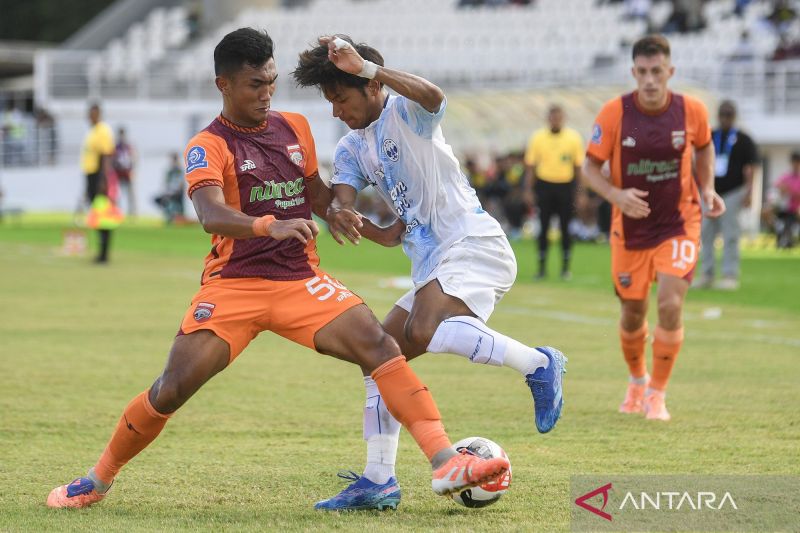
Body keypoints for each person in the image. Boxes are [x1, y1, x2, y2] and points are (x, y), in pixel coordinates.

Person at [46, 28, 509, 510]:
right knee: (172, 389)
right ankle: (97, 480)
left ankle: (444, 461)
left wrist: (368, 227)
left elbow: (320, 200)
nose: (266, 93)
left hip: (300, 282)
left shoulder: (295, 130)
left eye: (270, 81)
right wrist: (270, 225)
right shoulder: (208, 145)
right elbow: (210, 214)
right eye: (254, 85)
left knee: (380, 346)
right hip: (234, 286)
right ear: (223, 85)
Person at [293, 35, 566, 511]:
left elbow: (435, 96)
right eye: (330, 101)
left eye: (341, 97)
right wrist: (346, 214)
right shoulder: (355, 145)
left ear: (369, 86)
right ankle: (379, 481)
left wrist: (370, 68)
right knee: (379, 356)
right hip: (433, 262)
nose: (336, 110)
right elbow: (344, 191)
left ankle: (538, 364)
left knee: (425, 327)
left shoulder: (405, 111)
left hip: (473, 244)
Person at [581, 34, 725, 421]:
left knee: (670, 303)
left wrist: (707, 187)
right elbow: (589, 167)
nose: (649, 79)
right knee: (632, 312)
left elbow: (705, 146)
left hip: (679, 223)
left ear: (670, 71)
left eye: (656, 71)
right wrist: (615, 194)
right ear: (633, 72)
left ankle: (658, 395)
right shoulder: (615, 113)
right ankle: (637, 380)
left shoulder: (691, 110)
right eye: (642, 72)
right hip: (629, 230)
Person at [695, 101, 758, 290]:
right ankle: (707, 274)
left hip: (733, 192)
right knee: (705, 234)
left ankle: (730, 275)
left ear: (734, 116)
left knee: (731, 234)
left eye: (729, 114)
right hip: (709, 191)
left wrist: (749, 193)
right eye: (722, 114)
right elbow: (697, 161)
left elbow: (751, 168)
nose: (725, 118)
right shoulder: (710, 136)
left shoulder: (744, 139)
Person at [523, 104, 585, 279]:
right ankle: (541, 268)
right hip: (544, 186)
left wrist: (580, 193)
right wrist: (528, 190)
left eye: (559, 117)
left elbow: (578, 168)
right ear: (548, 118)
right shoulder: (538, 137)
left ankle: (565, 268)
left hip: (566, 186)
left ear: (563, 118)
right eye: (553, 117)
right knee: (543, 227)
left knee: (566, 228)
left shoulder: (573, 138)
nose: (556, 120)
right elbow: (531, 167)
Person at [80, 103, 115, 210]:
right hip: (91, 171)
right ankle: (100, 224)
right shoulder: (93, 130)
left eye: (92, 114)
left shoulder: (103, 130)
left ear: (98, 114)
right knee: (94, 202)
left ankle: (105, 225)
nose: (90, 117)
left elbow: (105, 155)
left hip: (98, 172)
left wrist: (103, 178)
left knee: (100, 203)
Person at [771, 151, 800, 248]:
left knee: (793, 217)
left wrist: (790, 191)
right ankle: (781, 233)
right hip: (784, 208)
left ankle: (788, 238)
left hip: (796, 210)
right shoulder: (786, 177)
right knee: (766, 211)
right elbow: (777, 187)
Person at [153, 152, 185, 224]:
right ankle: (169, 216)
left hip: (177, 193)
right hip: (169, 192)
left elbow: (181, 184)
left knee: (171, 201)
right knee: (160, 200)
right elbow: (166, 183)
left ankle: (177, 217)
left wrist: (173, 191)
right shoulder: (169, 171)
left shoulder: (180, 171)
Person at [112, 127, 137, 217]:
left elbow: (133, 159)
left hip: (127, 172)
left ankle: (132, 212)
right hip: (118, 172)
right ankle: (116, 211)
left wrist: (132, 171)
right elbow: (112, 160)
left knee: (131, 194)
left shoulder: (128, 146)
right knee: (116, 193)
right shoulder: (115, 147)